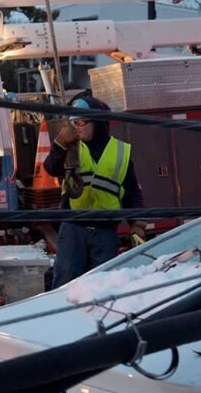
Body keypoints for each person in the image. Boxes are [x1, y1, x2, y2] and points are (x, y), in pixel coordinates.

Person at [44, 91, 145, 289]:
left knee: (105, 286)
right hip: (74, 228)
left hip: (105, 233)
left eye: (82, 123)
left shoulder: (120, 151)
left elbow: (132, 191)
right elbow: (51, 168)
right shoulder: (72, 147)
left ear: (98, 123)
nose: (77, 128)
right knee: (65, 283)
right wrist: (60, 144)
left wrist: (137, 223)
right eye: (75, 123)